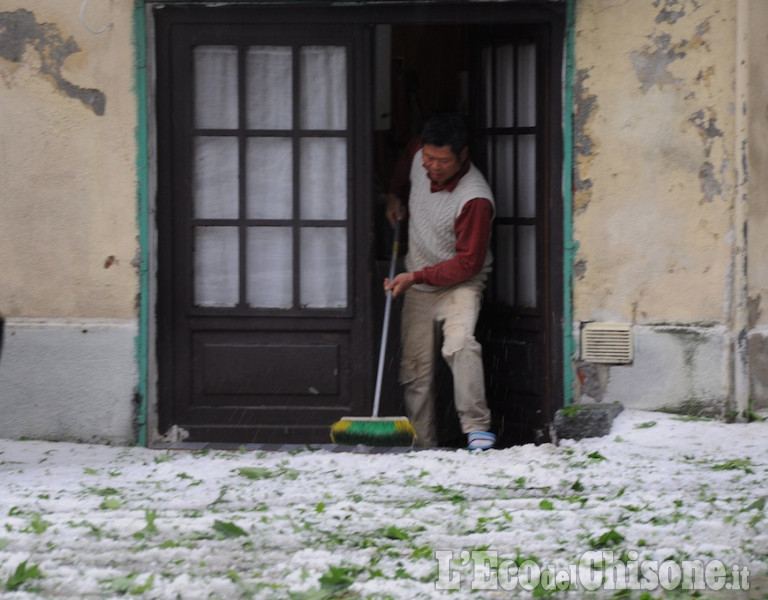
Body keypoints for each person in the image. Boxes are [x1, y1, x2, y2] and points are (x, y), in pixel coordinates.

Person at [384, 114, 496, 450]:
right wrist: (393, 195)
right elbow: (404, 172)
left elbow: (467, 263)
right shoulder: (420, 153)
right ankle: (422, 444)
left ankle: (477, 430)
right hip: (417, 279)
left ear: (463, 156)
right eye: (429, 158)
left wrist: (414, 276)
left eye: (442, 161)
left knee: (460, 345)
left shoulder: (474, 199)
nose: (432, 166)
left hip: (460, 284)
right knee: (416, 369)